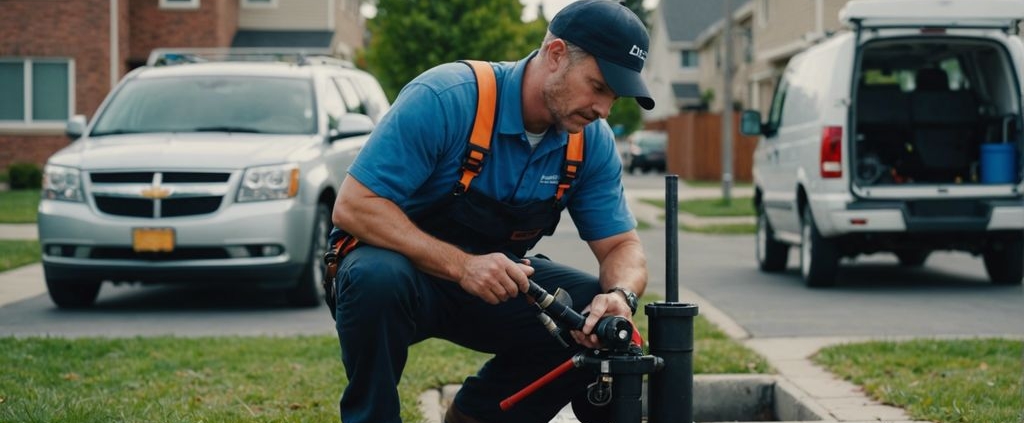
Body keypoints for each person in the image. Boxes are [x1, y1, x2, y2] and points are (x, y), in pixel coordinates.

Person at [329, 1, 654, 422]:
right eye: (598, 86)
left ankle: (476, 416)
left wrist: (619, 296)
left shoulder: (590, 141)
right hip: (397, 279)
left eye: (614, 96)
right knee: (376, 277)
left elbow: (622, 246)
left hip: (494, 286)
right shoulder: (447, 98)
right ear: (555, 55)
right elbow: (354, 206)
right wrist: (463, 266)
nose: (604, 110)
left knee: (597, 324)